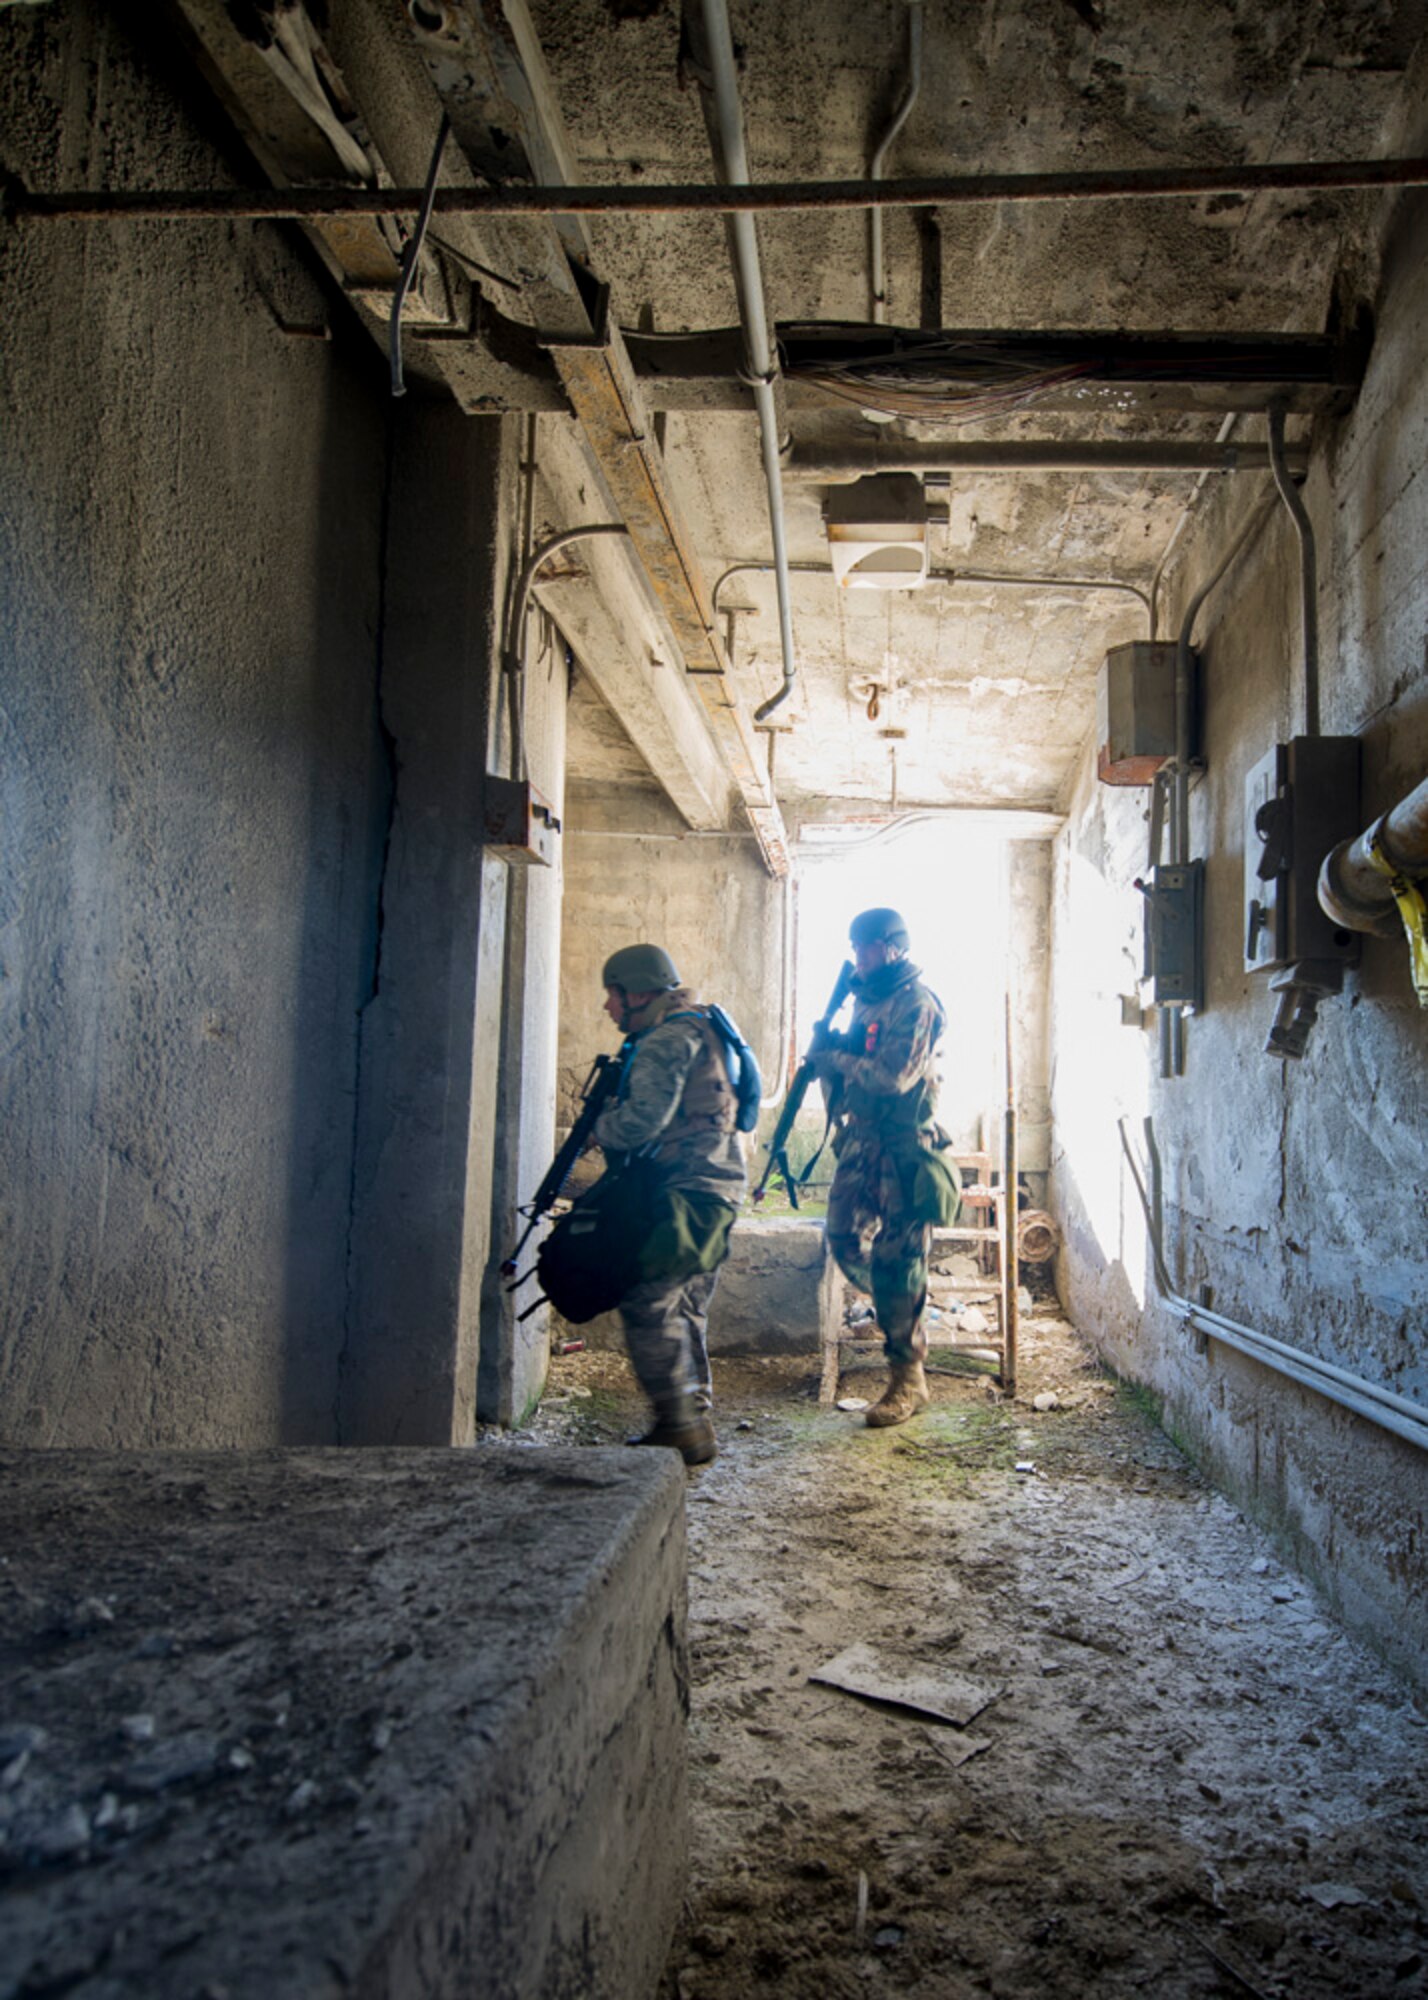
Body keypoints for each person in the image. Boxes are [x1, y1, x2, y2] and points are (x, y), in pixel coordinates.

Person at [593, 943, 749, 1466]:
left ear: (637, 992)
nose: (609, 1008)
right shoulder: (706, 1026)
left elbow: (639, 1124)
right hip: (719, 1189)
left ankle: (679, 1423)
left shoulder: (665, 1041)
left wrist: (598, 1129)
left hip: (687, 1190)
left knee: (646, 1300)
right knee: (686, 1306)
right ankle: (693, 1417)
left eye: (612, 996)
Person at [818, 908, 951, 1428]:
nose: (859, 956)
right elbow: (855, 1066)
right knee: (842, 1237)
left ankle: (907, 1380)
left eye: (866, 947)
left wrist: (838, 1062)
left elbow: (894, 1077)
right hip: (862, 1142)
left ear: (891, 948)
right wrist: (829, 1056)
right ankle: (899, 1299)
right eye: (855, 948)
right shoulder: (865, 1000)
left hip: (904, 1151)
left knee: (899, 1262)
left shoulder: (918, 1003)